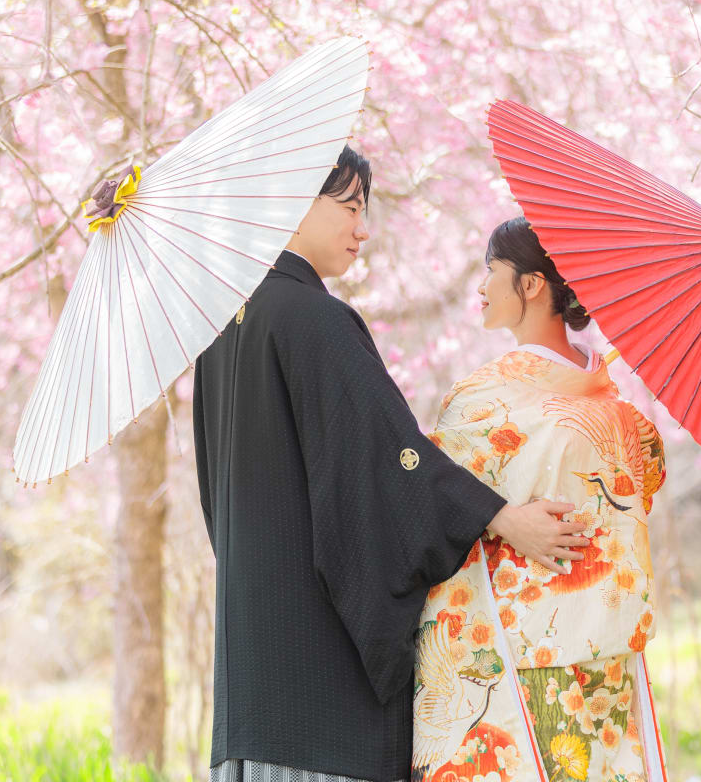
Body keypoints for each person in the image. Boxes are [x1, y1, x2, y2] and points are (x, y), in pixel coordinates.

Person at [193, 149, 590, 782]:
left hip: (250, 675)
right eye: (349, 208)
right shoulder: (314, 318)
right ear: (297, 200)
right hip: (318, 684)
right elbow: (386, 459)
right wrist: (502, 517)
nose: (362, 229)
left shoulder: (218, 331)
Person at [412, 217, 667, 782]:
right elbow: (647, 484)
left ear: (530, 284)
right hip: (609, 648)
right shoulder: (622, 411)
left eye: (491, 270)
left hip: (521, 650)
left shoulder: (482, 400)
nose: (481, 286)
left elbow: (431, 501)